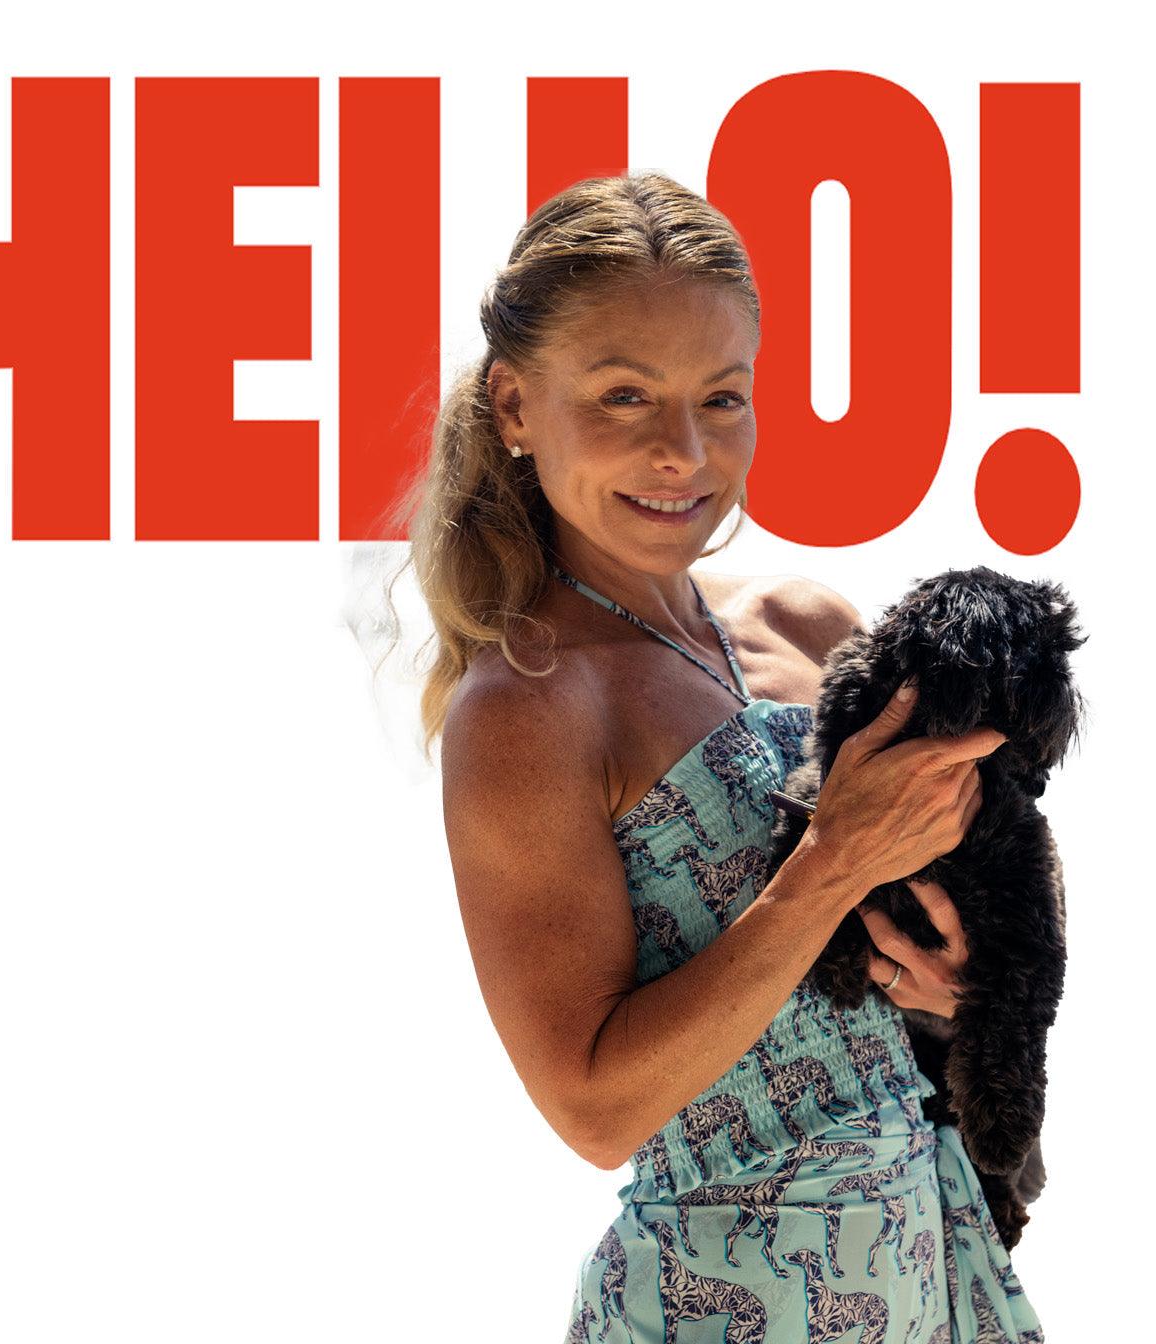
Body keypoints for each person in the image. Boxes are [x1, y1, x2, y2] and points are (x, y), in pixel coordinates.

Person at [388, 173, 1045, 1341]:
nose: (682, 451)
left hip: (932, 1276)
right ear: (515, 405)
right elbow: (595, 1109)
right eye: (625, 395)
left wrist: (962, 989)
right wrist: (831, 865)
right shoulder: (528, 709)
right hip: (717, 1302)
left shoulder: (808, 625)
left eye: (721, 397)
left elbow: (985, 882)